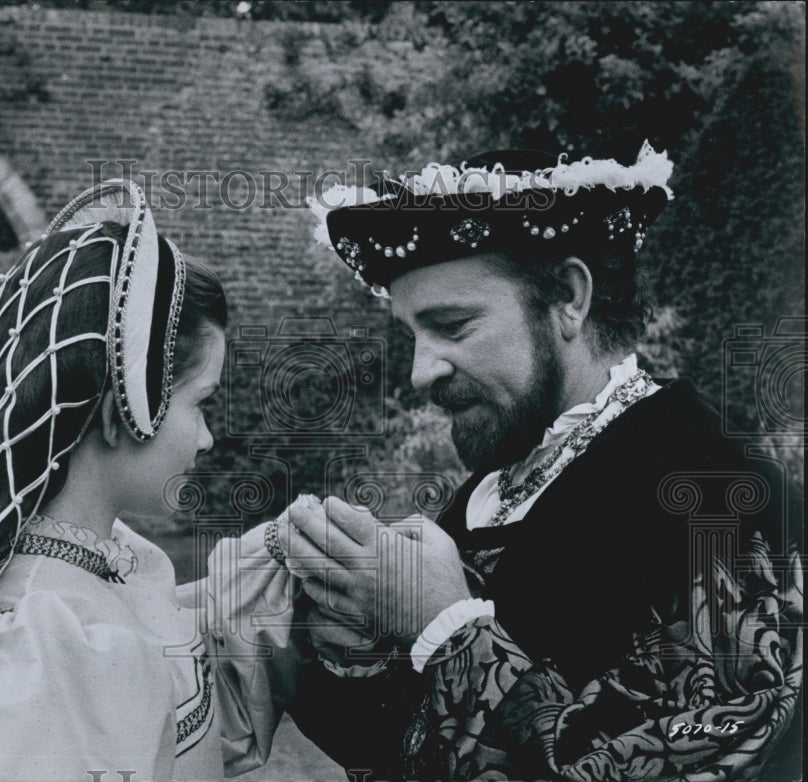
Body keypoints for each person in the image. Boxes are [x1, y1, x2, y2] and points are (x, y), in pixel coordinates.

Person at [279, 142, 803, 781]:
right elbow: (394, 747)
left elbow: (697, 752)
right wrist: (359, 638)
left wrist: (450, 628)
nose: (421, 371)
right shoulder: (500, 483)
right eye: (412, 335)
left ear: (570, 299)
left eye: (454, 325)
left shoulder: (717, 493)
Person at [0, 180, 298, 781]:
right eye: (201, 404)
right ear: (121, 415)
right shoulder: (29, 660)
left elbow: (190, 716)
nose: (207, 437)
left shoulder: (116, 562)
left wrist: (288, 568)